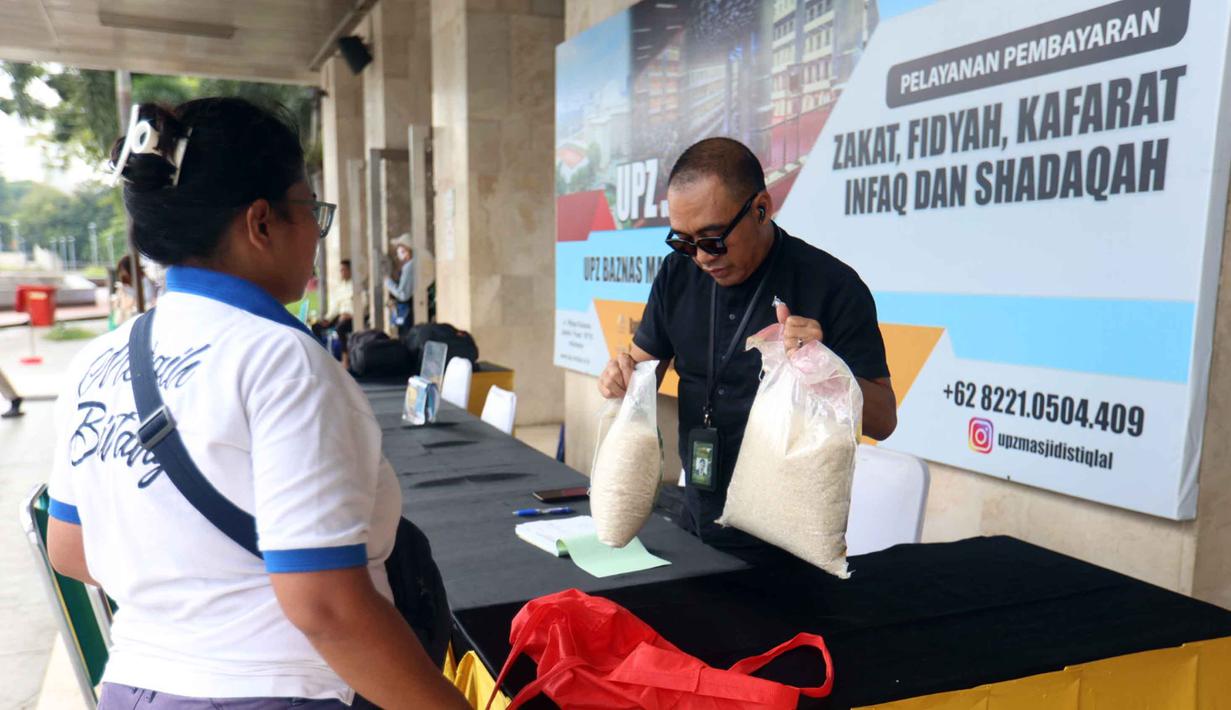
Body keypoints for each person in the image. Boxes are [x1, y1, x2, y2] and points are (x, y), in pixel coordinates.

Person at [45, 98, 468, 709]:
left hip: (133, 689)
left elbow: (69, 547)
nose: (316, 236)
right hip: (275, 692)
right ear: (262, 222)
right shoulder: (283, 362)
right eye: (312, 212)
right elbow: (326, 607)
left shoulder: (98, 360)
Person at [597, 137, 897, 551]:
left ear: (761, 208)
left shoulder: (832, 286)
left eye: (713, 239)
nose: (702, 257)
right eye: (683, 241)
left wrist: (826, 370)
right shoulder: (677, 274)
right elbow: (641, 372)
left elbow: (884, 420)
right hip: (695, 524)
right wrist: (621, 376)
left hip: (789, 546)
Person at [384, 234, 415, 338]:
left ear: (407, 251)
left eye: (401, 250)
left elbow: (403, 295)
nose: (398, 254)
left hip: (409, 310)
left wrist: (388, 282)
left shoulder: (409, 267)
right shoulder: (412, 265)